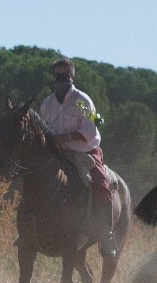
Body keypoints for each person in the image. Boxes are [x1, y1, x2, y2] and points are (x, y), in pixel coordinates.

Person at [38, 57, 116, 260]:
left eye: (65, 76)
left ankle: (106, 236)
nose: (61, 80)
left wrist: (65, 137)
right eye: (57, 76)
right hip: (55, 152)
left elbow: (90, 130)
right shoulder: (47, 104)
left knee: (101, 185)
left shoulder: (82, 101)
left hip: (83, 151)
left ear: (72, 77)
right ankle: (28, 230)